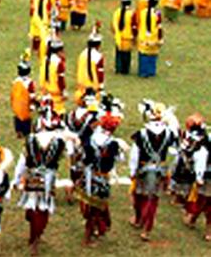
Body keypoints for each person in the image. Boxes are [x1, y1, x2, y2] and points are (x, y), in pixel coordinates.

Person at [13, 100, 67, 255]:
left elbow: (22, 162)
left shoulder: (30, 140)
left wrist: (17, 180)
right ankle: (36, 237)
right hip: (48, 179)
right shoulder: (59, 142)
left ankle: (34, 236)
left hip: (32, 176)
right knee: (42, 210)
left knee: (32, 207)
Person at [129, 101, 178, 241]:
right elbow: (174, 151)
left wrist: (132, 171)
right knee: (152, 200)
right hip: (159, 171)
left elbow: (134, 154)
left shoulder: (141, 134)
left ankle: (138, 219)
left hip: (142, 169)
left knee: (139, 196)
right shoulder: (169, 133)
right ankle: (146, 229)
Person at [78, 108, 124, 246]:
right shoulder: (113, 144)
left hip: (88, 176)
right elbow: (119, 159)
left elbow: (83, 159)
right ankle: (88, 237)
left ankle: (97, 228)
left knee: (92, 207)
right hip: (102, 179)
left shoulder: (90, 140)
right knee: (95, 209)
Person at [181, 114, 211, 241]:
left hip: (208, 175)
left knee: (204, 200)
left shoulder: (206, 142)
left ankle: (198, 222)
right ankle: (194, 220)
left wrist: (199, 176)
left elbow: (202, 158)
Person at [136, 0, 163, 78]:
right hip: (153, 37)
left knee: (143, 55)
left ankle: (142, 71)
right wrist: (160, 38)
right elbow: (159, 27)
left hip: (143, 36)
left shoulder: (143, 12)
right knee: (152, 55)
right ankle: (151, 71)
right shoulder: (157, 14)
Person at [10, 50, 36, 138]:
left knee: (17, 118)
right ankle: (25, 132)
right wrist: (32, 105)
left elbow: (12, 94)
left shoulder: (16, 81)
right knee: (26, 119)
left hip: (17, 104)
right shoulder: (29, 82)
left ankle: (18, 131)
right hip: (26, 105)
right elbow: (32, 95)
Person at [75, 25, 104, 99]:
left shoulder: (82, 54)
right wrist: (101, 86)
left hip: (81, 86)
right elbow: (100, 73)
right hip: (93, 87)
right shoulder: (98, 56)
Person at [111, 0, 135, 75]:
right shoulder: (131, 13)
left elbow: (113, 25)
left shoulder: (117, 12)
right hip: (128, 38)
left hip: (119, 37)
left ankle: (118, 68)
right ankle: (125, 70)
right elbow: (134, 26)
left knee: (119, 55)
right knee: (126, 55)